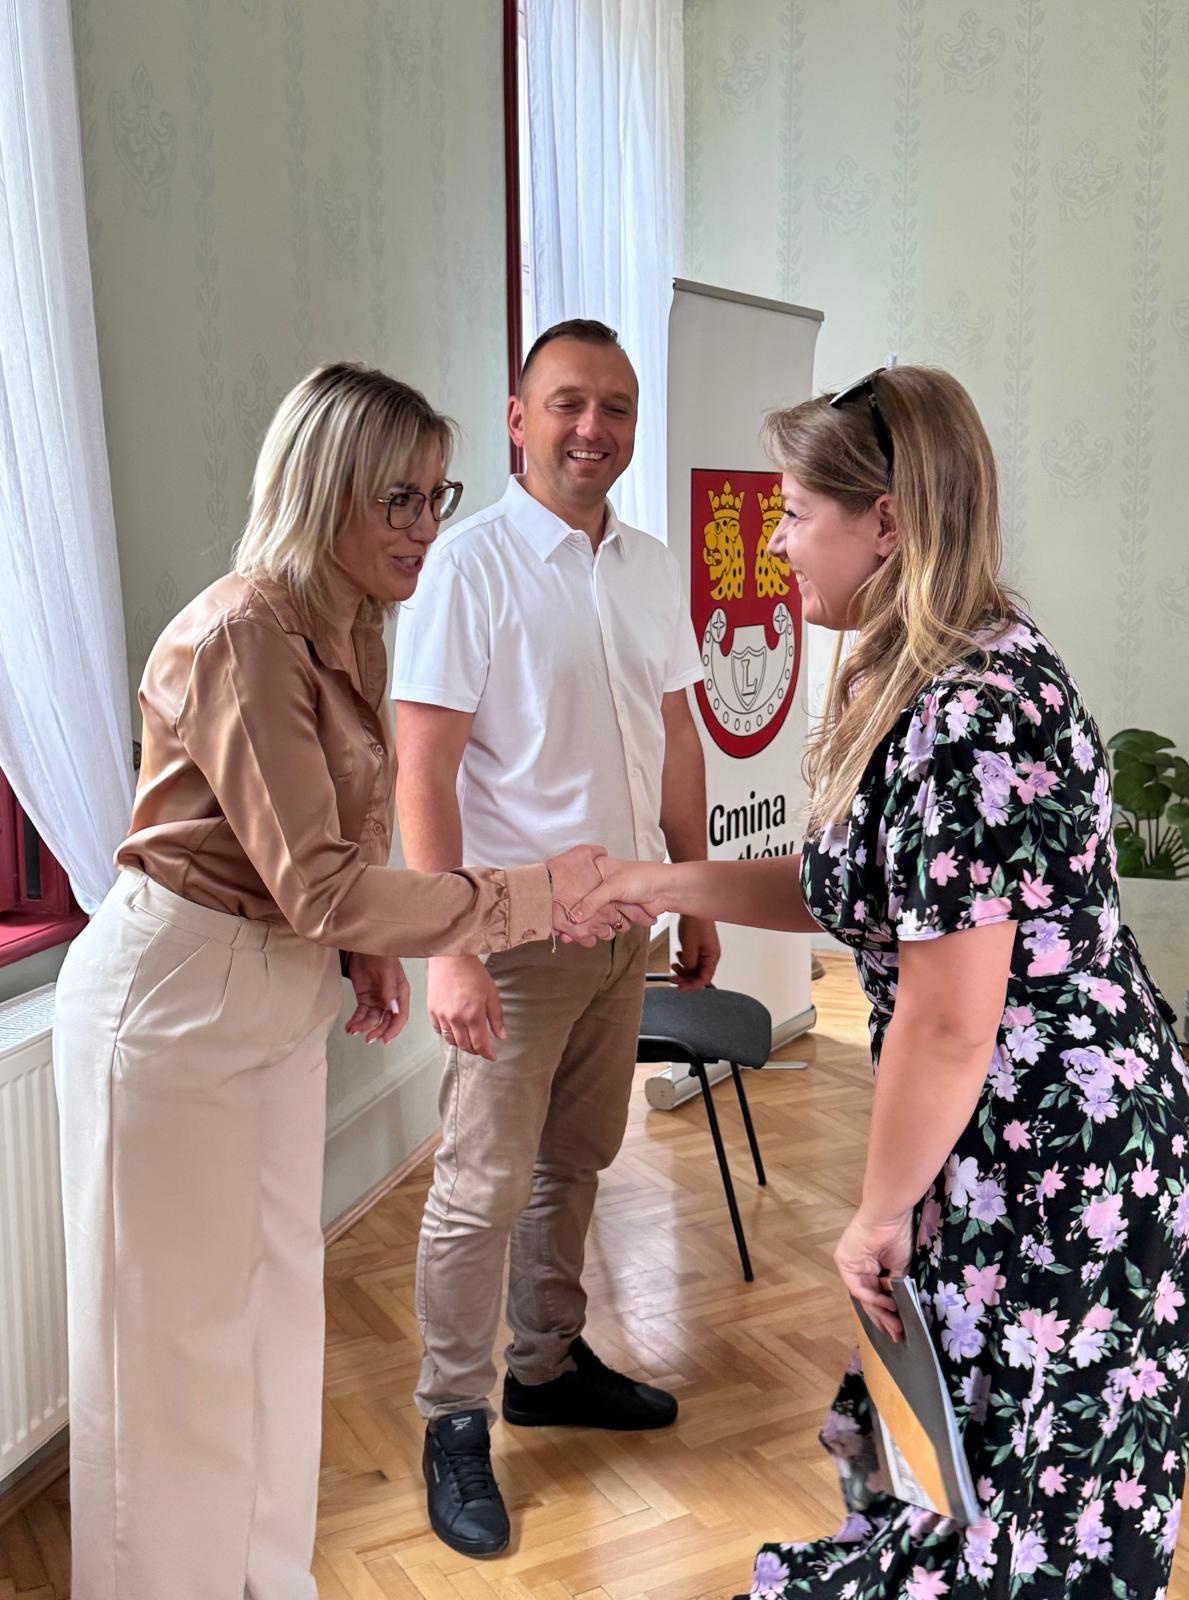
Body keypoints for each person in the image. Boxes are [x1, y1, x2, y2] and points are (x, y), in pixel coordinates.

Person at [574, 365, 1189, 1598]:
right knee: (964, 1494)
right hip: (1007, 1149)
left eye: (796, 512)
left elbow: (951, 1017)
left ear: (890, 523)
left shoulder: (971, 713)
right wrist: (661, 881)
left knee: (1025, 1531)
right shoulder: (925, 674)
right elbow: (863, 889)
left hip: (1062, 1171)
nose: (775, 540)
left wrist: (875, 1211)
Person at [51, 361, 635, 1600]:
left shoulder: (353, 621)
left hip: (267, 984)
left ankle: (264, 1581)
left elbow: (326, 843)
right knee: (165, 1352)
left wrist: (363, 948)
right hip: (172, 997)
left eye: (436, 494)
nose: (424, 525)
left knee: (272, 1314)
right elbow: (316, 879)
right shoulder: (241, 634)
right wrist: (532, 896)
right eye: (397, 499)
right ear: (323, 492)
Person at [392, 318, 721, 1557]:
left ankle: (544, 1363)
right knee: (479, 1184)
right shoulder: (468, 567)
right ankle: (452, 1417)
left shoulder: (648, 562)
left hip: (624, 923)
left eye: (617, 408)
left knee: (576, 1156)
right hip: (511, 935)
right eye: (570, 403)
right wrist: (448, 946)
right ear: (519, 419)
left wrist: (693, 890)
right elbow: (422, 771)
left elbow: (677, 734)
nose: (595, 429)